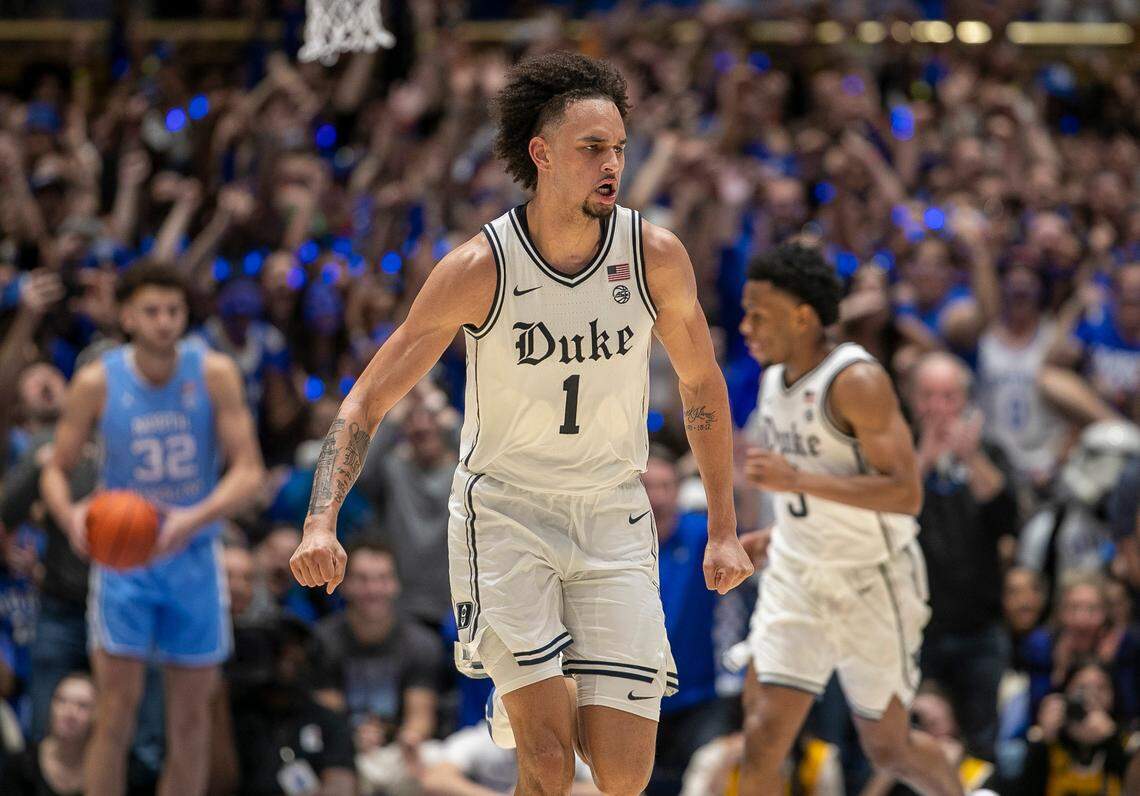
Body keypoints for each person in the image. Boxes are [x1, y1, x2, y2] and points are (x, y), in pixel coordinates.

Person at [291, 51, 753, 796]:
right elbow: (365, 401)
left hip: (612, 510)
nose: (612, 164)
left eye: (619, 148)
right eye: (592, 148)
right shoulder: (480, 267)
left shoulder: (655, 257)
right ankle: (531, 694)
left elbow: (702, 386)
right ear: (542, 154)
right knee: (546, 760)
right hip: (506, 513)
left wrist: (724, 528)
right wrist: (321, 521)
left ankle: (545, 694)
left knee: (623, 775)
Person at [736, 242, 979, 796]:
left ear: (802, 318)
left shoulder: (857, 380)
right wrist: (778, 533)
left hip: (870, 577)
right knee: (762, 735)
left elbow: (905, 493)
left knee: (888, 748)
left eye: (759, 315)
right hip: (798, 573)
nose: (746, 326)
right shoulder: (773, 381)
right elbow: (815, 486)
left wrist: (796, 481)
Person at [39, 261, 265, 796]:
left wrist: (192, 517)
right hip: (126, 563)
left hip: (193, 555)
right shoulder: (97, 381)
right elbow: (55, 468)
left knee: (190, 721)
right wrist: (71, 514)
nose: (164, 321)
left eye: (173, 310)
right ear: (128, 317)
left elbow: (250, 470)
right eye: (152, 311)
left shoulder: (213, 372)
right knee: (114, 714)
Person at [908, 351, 1019, 760]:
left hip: (979, 630)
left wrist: (970, 458)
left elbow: (1008, 520)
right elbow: (888, 517)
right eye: (928, 396)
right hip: (918, 630)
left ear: (966, 400)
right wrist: (923, 459)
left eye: (948, 396)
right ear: (912, 399)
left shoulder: (989, 451)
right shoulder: (896, 454)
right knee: (914, 743)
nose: (938, 408)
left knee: (982, 743)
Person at [643, 450, 735, 795]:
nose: (658, 497)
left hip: (698, 695)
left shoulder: (703, 536)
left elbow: (746, 542)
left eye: (666, 486)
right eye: (648, 486)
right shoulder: (614, 543)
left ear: (679, 490)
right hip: (635, 695)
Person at [311, 539, 443, 754]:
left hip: (399, 750)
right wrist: (352, 738)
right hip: (341, 747)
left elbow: (420, 717)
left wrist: (409, 740)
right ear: (343, 583)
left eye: (383, 578)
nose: (373, 589)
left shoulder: (421, 643)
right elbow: (327, 715)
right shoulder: (323, 641)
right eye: (362, 579)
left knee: (432, 755)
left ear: (396, 584)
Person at [1013, 659, 1133, 795]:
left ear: (1114, 694)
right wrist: (1043, 742)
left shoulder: (1125, 741)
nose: (1091, 696)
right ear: (1066, 691)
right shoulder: (1050, 739)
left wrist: (1112, 740)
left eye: (1101, 688)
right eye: (1081, 688)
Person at [2, 673, 95, 795]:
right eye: (62, 701)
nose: (69, 713)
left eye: (82, 706)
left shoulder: (109, 769)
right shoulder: (21, 764)